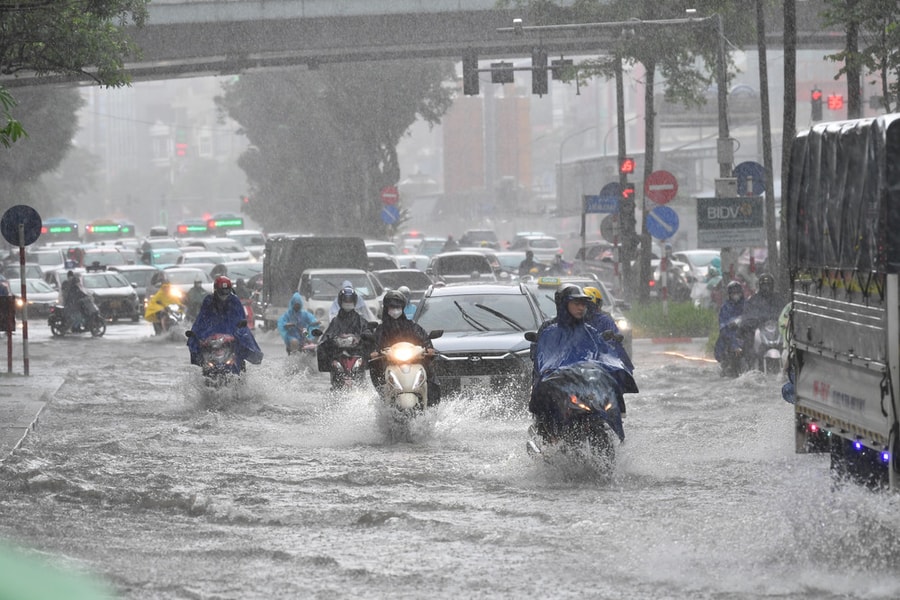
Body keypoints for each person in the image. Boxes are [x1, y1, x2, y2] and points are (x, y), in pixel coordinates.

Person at [530, 285, 636, 432]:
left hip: (583, 383)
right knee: (544, 399)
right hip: (556, 383)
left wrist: (610, 360)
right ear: (563, 304)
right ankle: (547, 431)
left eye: (583, 304)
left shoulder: (590, 331)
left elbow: (601, 354)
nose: (581, 308)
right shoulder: (548, 329)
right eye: (576, 303)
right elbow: (540, 356)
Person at [369, 289, 440, 403]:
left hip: (414, 361)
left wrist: (429, 348)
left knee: (431, 374)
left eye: (398, 307)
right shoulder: (381, 329)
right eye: (392, 307)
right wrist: (375, 352)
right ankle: (384, 399)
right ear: (387, 308)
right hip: (389, 363)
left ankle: (431, 403)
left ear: (403, 308)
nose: (395, 310)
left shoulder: (411, 326)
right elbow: (375, 344)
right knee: (374, 367)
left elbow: (423, 338)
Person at [187, 276, 262, 368]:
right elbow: (201, 319)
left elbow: (240, 318)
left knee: (245, 340)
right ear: (215, 290)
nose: (224, 295)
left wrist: (239, 329)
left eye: (227, 291)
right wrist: (195, 333)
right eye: (221, 292)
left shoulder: (234, 300)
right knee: (195, 344)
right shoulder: (208, 300)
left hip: (231, 331)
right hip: (211, 332)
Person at [318, 287, 374, 387]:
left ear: (354, 302)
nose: (348, 303)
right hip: (338, 354)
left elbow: (367, 332)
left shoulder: (359, 319)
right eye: (345, 301)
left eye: (350, 301)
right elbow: (328, 334)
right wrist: (331, 339)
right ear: (340, 302)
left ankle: (361, 384)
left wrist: (360, 337)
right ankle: (335, 384)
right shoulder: (335, 320)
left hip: (356, 353)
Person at [583, 286, 634, 373]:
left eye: (581, 304)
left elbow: (615, 342)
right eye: (577, 304)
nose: (580, 308)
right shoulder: (571, 321)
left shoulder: (604, 319)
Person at [714, 280, 747, 373]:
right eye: (733, 293)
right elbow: (723, 327)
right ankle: (729, 366)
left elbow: (752, 316)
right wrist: (734, 345)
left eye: (738, 293)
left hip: (745, 334)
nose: (736, 295)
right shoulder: (725, 307)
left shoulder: (747, 305)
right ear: (729, 294)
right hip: (730, 337)